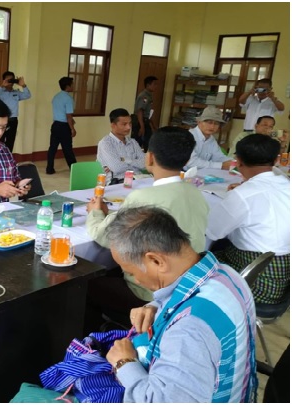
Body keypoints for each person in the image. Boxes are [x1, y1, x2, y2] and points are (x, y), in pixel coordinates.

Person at [104, 206, 257, 402]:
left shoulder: (188, 330)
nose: (136, 280)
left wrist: (123, 363)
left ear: (156, 261)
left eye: (131, 272)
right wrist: (157, 306)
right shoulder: (227, 274)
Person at [86, 127, 208, 325]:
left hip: (152, 294)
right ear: (186, 160)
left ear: (149, 157)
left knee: (87, 284)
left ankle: (103, 336)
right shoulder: (195, 193)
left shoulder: (142, 197)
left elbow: (104, 236)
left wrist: (95, 213)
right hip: (188, 287)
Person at [207, 135, 290, 306]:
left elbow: (212, 231)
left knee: (202, 255)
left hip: (257, 283)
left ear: (238, 161)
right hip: (284, 276)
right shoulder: (286, 183)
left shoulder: (242, 195)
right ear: (276, 160)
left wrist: (238, 195)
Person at [97, 108, 145, 182]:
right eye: (124, 124)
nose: (129, 127)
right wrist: (136, 163)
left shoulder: (133, 142)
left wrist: (126, 160)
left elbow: (145, 164)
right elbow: (117, 168)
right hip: (118, 181)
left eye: (130, 123)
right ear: (113, 125)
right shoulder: (106, 143)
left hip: (138, 178)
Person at [0, 71, 31, 152]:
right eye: (8, 80)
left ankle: (8, 158)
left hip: (13, 121)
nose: (10, 82)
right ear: (4, 80)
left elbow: (27, 95)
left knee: (10, 142)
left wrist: (23, 85)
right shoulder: (0, 92)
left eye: (12, 80)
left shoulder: (16, 92)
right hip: (1, 121)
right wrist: (1, 86)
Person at [46, 77, 77, 174]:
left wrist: (71, 120)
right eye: (72, 84)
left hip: (55, 125)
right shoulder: (68, 99)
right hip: (64, 127)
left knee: (52, 148)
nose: (73, 86)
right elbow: (68, 116)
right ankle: (75, 170)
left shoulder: (56, 97)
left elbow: (60, 112)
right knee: (67, 149)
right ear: (68, 86)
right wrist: (72, 129)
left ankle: (49, 169)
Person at [131, 76, 158, 151]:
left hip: (145, 121)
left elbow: (149, 112)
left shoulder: (149, 95)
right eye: (154, 84)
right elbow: (140, 111)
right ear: (148, 85)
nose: (156, 86)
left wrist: (153, 125)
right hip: (140, 122)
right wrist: (142, 126)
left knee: (148, 142)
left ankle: (145, 156)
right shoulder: (144, 96)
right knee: (138, 143)